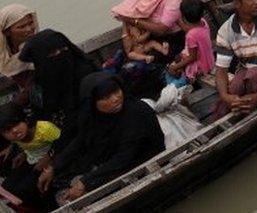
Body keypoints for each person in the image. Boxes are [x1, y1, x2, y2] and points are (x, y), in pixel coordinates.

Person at [37, 73, 164, 206]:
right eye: (106, 97)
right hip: (110, 162)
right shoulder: (92, 116)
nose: (115, 99)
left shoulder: (136, 112)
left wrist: (85, 182)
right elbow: (80, 141)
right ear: (92, 101)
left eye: (116, 92)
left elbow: (124, 156)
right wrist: (54, 167)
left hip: (140, 163)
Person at [16, 30, 95, 138]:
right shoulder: (37, 82)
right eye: (52, 54)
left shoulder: (85, 72)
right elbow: (37, 114)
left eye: (63, 49)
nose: (60, 55)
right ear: (39, 59)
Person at [0, 102, 59, 206]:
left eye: (16, 124)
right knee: (7, 187)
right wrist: (23, 153)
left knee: (24, 190)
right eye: (8, 130)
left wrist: (52, 163)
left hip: (51, 160)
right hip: (32, 158)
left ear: (26, 120)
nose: (14, 130)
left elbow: (63, 144)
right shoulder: (17, 138)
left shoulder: (45, 129)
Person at [165, 0, 214, 87]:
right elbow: (190, 29)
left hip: (199, 68)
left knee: (169, 75)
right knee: (178, 58)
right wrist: (178, 21)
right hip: (209, 61)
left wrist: (175, 67)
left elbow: (193, 57)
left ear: (183, 17)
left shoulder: (191, 36)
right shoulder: (203, 23)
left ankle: (183, 84)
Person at [0, 5, 37, 94]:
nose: (29, 29)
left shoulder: (37, 47)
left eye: (31, 23)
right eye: (21, 27)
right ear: (7, 32)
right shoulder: (3, 57)